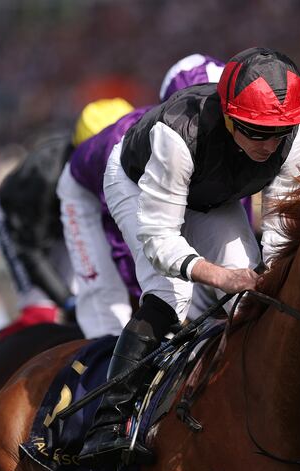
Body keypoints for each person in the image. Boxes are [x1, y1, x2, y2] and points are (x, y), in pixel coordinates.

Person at [77, 47, 300, 467]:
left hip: (214, 195)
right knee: (171, 295)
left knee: (254, 296)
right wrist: (219, 276)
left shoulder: (295, 137)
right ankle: (107, 425)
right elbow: (160, 240)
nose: (269, 144)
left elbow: (279, 238)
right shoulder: (177, 133)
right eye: (255, 131)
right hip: (136, 183)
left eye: (279, 132)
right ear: (227, 115)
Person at [57, 54, 226, 339]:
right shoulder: (147, 142)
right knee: (114, 318)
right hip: (89, 192)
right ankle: (110, 379)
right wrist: (152, 304)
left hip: (132, 186)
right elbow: (129, 242)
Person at [0, 98, 134, 337]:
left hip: (64, 222)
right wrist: (65, 299)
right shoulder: (44, 176)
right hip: (21, 225)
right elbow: (30, 249)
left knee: (85, 307)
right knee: (42, 314)